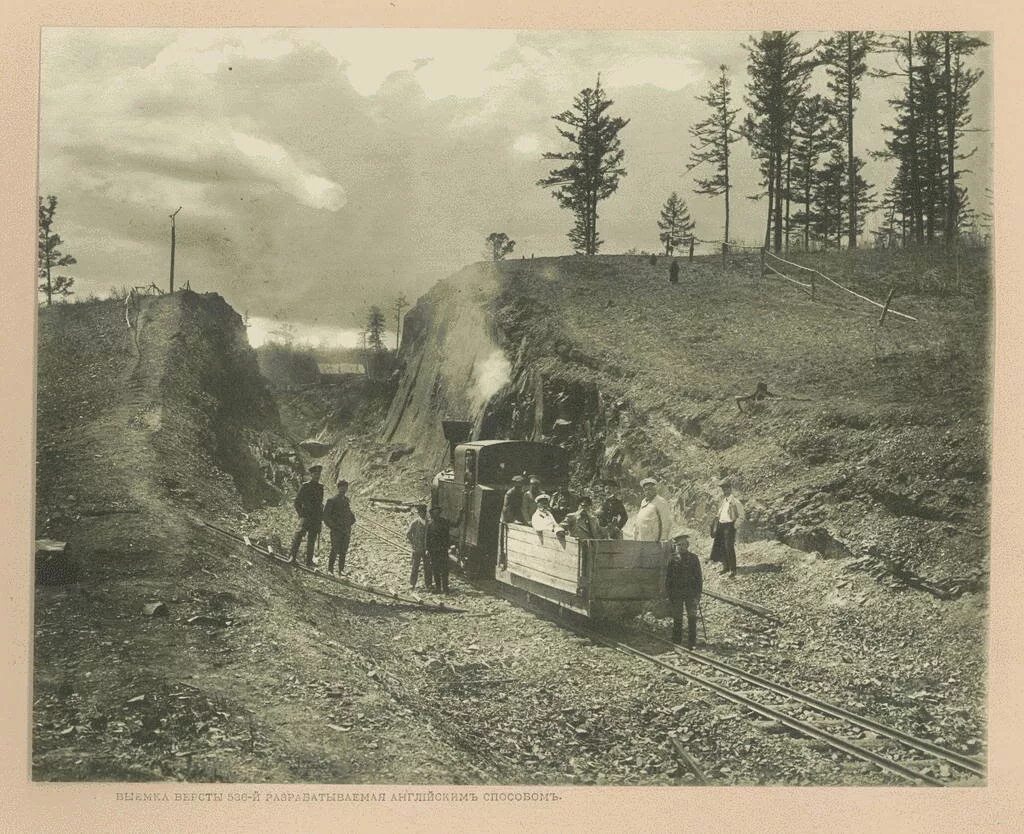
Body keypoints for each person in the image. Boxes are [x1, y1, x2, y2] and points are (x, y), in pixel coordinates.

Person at [666, 530, 703, 647]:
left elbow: (698, 578)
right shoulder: (672, 560)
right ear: (675, 546)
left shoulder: (694, 558)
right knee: (677, 616)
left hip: (690, 593)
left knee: (692, 617)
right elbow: (669, 579)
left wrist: (698, 595)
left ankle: (692, 642)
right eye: (678, 545)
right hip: (677, 593)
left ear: (687, 545)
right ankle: (677, 640)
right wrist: (670, 594)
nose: (681, 547)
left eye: (683, 545)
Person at [289, 464, 324, 566]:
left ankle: (309, 561)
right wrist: (301, 514)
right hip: (306, 515)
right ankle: (292, 557)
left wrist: (320, 517)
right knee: (298, 535)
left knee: (312, 539)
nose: (317, 475)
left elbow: (319, 503)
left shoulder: (320, 488)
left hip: (316, 517)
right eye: (315, 473)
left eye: (319, 474)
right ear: (311, 474)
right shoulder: (305, 486)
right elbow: (297, 502)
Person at [709, 478, 745, 577]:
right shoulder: (723, 502)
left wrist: (734, 525)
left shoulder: (736, 502)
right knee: (722, 547)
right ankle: (726, 567)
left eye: (726, 489)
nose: (725, 491)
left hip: (729, 526)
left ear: (730, 489)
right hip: (721, 525)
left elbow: (741, 516)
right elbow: (719, 514)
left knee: (729, 547)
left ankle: (733, 569)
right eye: (723, 489)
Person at [322, 479, 356, 574]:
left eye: (345, 487)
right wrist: (333, 527)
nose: (343, 489)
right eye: (341, 487)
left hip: (346, 529)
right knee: (335, 549)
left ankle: (341, 570)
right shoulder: (332, 500)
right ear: (338, 488)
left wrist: (351, 521)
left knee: (343, 550)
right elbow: (325, 516)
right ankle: (330, 570)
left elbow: (350, 514)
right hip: (336, 530)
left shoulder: (346, 501)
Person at [632, 477, 673, 542]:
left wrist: (663, 539)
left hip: (654, 540)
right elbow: (639, 519)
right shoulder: (643, 502)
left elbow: (666, 521)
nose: (648, 492)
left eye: (650, 489)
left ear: (655, 489)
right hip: (642, 539)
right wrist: (635, 536)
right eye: (645, 490)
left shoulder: (661, 502)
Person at [427, 507, 452, 594]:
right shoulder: (430, 524)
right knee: (436, 570)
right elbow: (427, 538)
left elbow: (456, 524)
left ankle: (445, 588)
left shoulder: (444, 522)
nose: (435, 515)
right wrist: (428, 550)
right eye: (433, 514)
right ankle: (438, 588)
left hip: (442, 550)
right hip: (434, 551)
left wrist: (461, 515)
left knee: (445, 570)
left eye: (437, 513)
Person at [406, 504, 429, 589]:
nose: (422, 514)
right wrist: (414, 543)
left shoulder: (429, 522)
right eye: (421, 512)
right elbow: (408, 534)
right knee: (415, 567)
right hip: (417, 549)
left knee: (428, 568)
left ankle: (428, 584)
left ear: (425, 513)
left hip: (426, 549)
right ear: (419, 513)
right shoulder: (415, 522)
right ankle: (412, 584)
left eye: (424, 512)